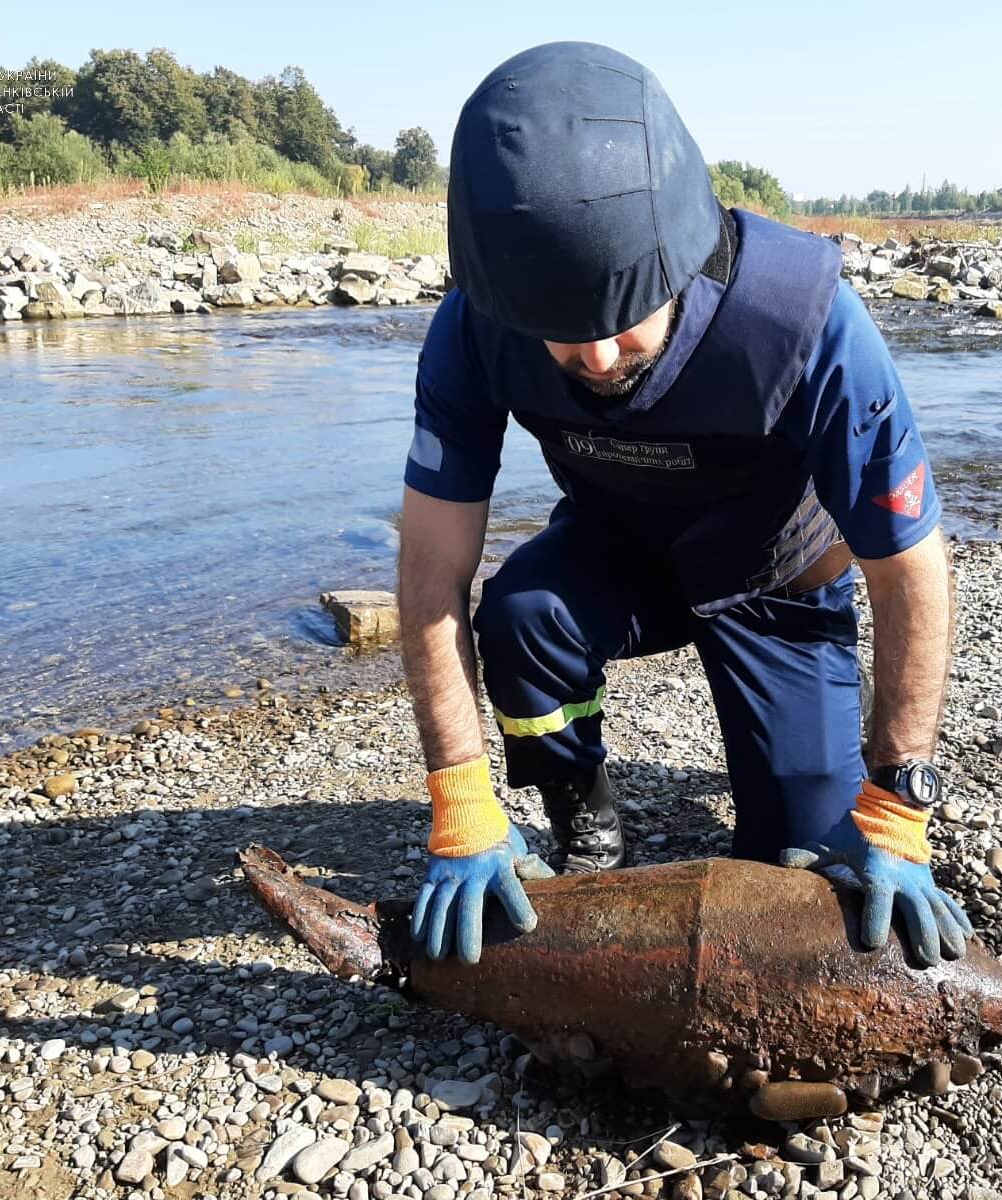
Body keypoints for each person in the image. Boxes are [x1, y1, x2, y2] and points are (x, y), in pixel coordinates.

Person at [396, 41, 972, 969]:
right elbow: (430, 571)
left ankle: (809, 745)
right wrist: (460, 798)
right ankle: (579, 810)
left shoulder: (803, 319)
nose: (593, 358)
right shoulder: (477, 325)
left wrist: (900, 801)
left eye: (621, 320)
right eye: (562, 333)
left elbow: (912, 574)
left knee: (800, 865)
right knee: (522, 612)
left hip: (775, 577)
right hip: (616, 550)